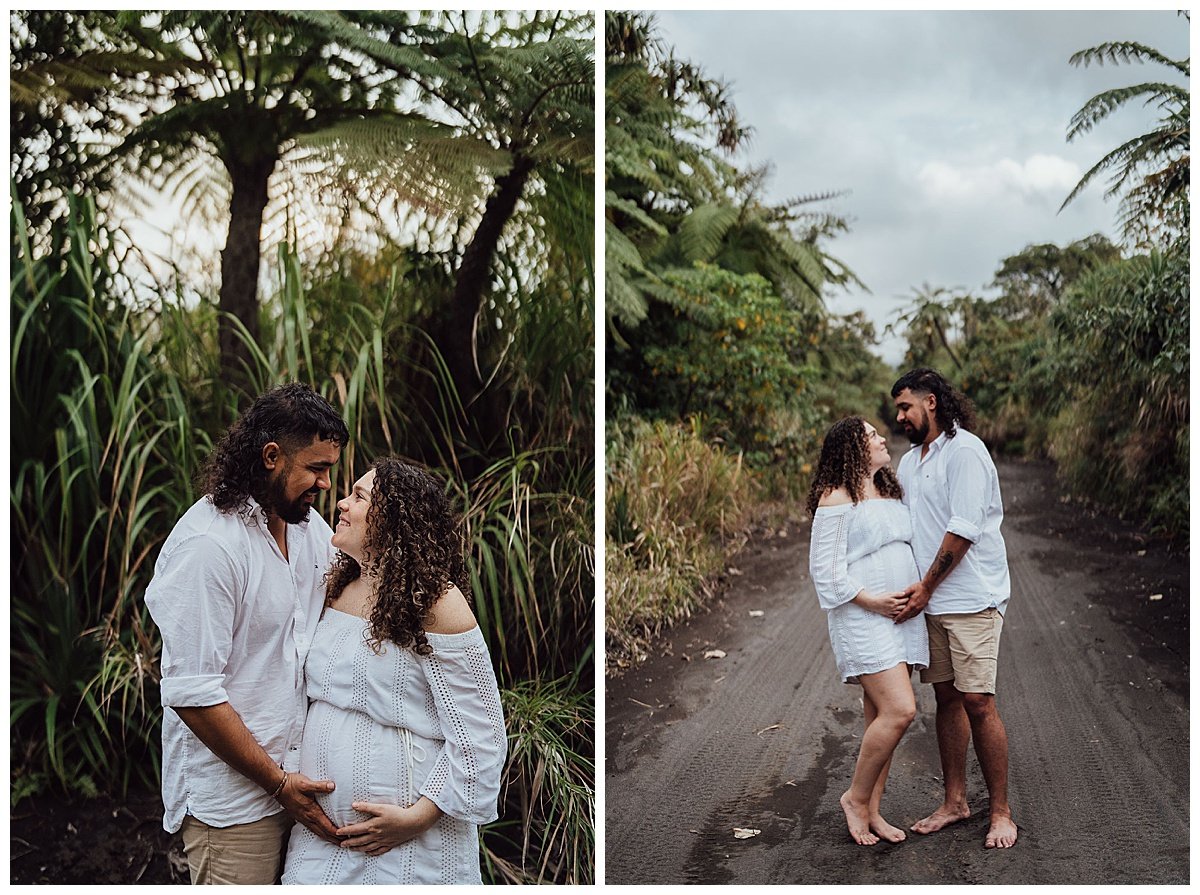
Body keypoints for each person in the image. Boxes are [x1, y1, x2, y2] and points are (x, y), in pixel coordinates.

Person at [145, 383, 350, 884]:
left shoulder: (305, 526)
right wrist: (279, 784)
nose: (326, 484)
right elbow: (193, 695)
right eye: (316, 469)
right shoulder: (210, 547)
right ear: (271, 457)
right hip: (234, 806)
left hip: (300, 782)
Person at [281, 457, 507, 885]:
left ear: (392, 519)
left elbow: (482, 733)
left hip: (411, 846)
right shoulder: (336, 587)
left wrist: (417, 818)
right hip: (321, 842)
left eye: (359, 496)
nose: (341, 504)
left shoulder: (436, 603)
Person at [890, 368, 1018, 849]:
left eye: (906, 406)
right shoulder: (910, 462)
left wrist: (924, 588)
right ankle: (955, 801)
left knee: (978, 702)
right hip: (932, 602)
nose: (899, 416)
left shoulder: (965, 451)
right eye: (898, 409)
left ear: (932, 403)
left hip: (971, 598)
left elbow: (963, 529)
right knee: (946, 700)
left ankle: (1001, 812)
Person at [807, 416, 929, 846]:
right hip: (863, 615)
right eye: (872, 435)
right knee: (900, 710)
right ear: (853, 449)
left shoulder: (890, 490)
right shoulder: (837, 496)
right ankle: (856, 800)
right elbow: (825, 572)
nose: (882, 439)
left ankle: (873, 810)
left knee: (880, 716)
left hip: (900, 618)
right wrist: (873, 600)